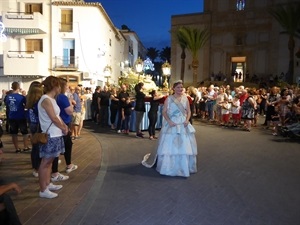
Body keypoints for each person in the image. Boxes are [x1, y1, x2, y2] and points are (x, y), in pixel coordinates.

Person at [142, 80, 197, 177]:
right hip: (172, 123)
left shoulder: (186, 98)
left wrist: (187, 120)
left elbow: (188, 111)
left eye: (181, 87)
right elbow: (164, 112)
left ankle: (183, 167)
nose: (180, 89)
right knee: (170, 145)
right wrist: (169, 121)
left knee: (184, 146)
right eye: (178, 87)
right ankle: (169, 166)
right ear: (174, 88)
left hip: (183, 123)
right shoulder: (169, 99)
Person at [37, 76, 69, 199]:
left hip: (55, 133)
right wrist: (63, 127)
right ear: (55, 86)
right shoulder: (46, 100)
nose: (60, 88)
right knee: (45, 162)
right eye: (59, 85)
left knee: (49, 161)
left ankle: (47, 183)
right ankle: (43, 189)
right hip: (50, 134)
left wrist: (64, 126)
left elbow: (57, 116)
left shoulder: (51, 99)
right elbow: (53, 118)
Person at [56, 78, 78, 174]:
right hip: (64, 122)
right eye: (66, 86)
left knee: (65, 144)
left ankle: (65, 164)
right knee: (65, 145)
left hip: (59, 123)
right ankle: (64, 167)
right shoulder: (62, 97)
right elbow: (69, 111)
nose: (67, 87)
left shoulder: (55, 97)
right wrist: (70, 102)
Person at [5, 82, 30, 153]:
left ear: (12, 87)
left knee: (14, 133)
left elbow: (7, 105)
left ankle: (17, 148)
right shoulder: (21, 97)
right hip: (21, 116)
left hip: (11, 116)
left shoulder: (7, 97)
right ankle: (25, 147)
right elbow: (26, 105)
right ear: (18, 87)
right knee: (24, 133)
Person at [26, 81, 43, 177]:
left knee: (35, 147)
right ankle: (37, 167)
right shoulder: (39, 102)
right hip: (38, 125)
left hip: (32, 124)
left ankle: (35, 167)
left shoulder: (29, 100)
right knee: (39, 147)